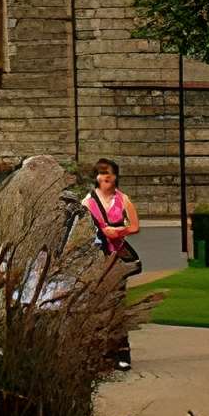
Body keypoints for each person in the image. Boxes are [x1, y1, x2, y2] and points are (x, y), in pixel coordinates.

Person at [84, 159, 142, 370]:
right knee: (98, 306)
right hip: (97, 258)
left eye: (109, 173)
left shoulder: (123, 199)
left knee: (117, 303)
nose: (106, 177)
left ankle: (121, 352)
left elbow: (134, 226)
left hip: (117, 256)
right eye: (101, 173)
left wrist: (118, 231)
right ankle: (100, 352)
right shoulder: (88, 203)